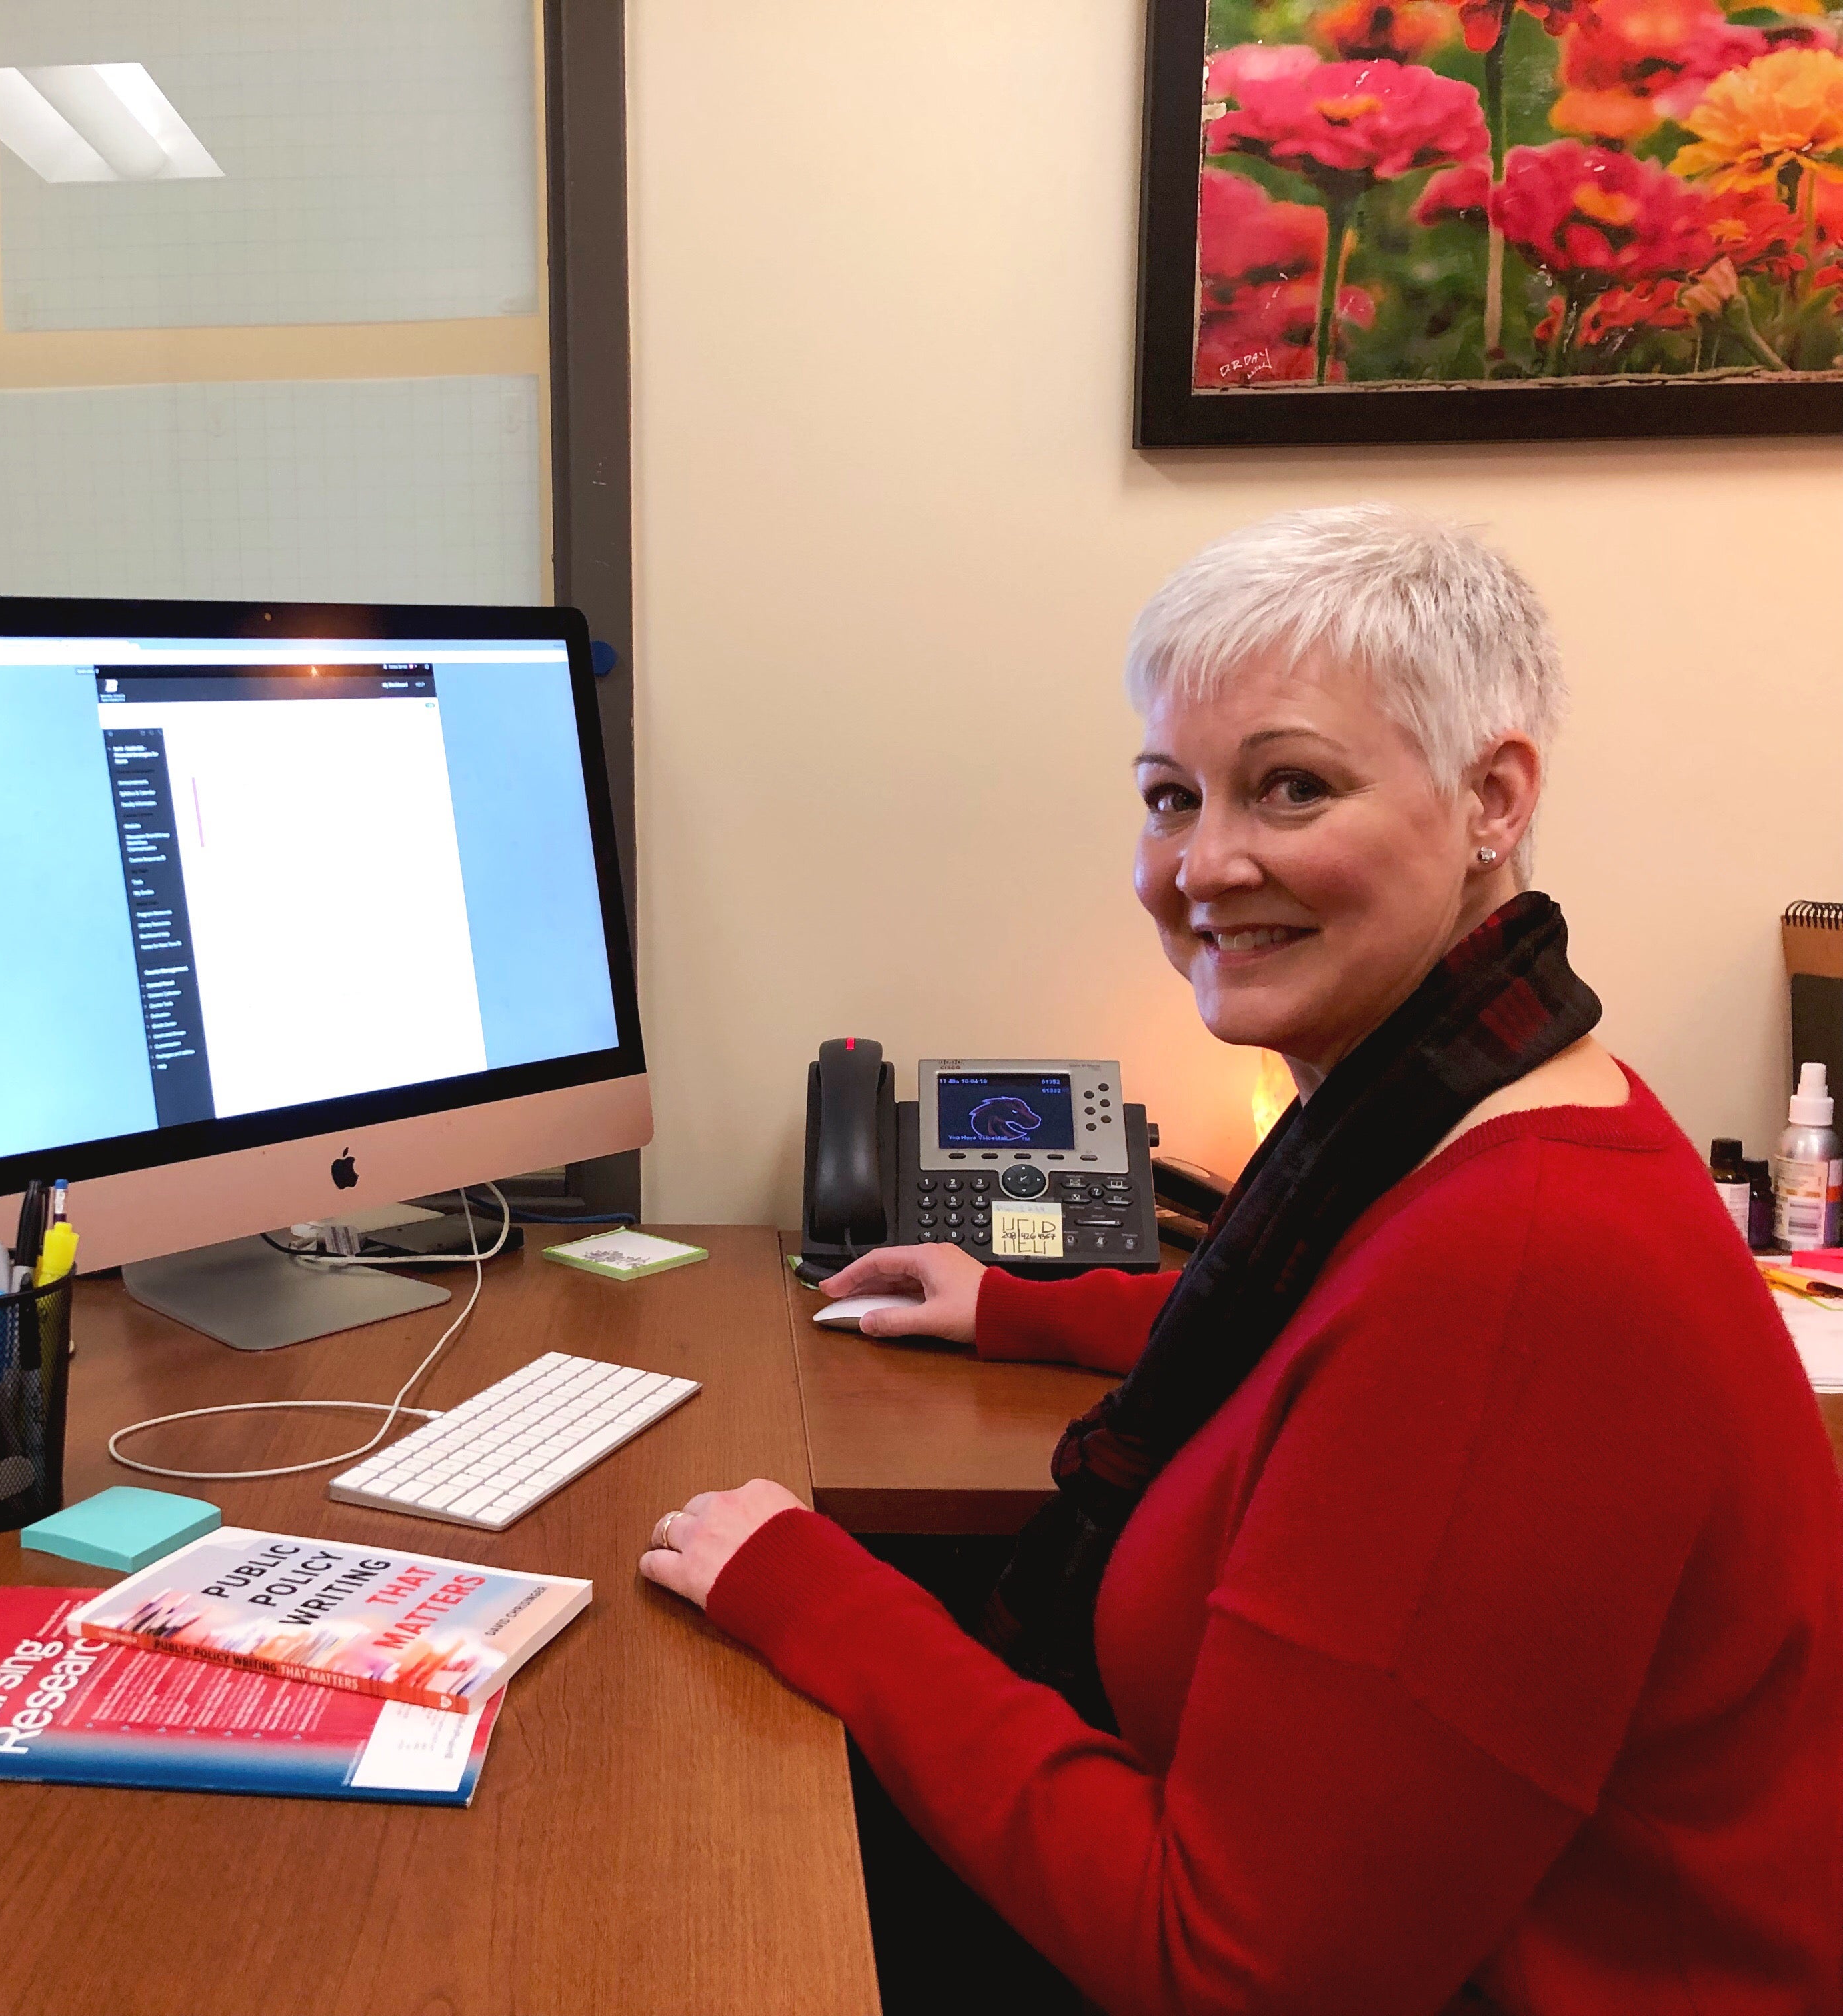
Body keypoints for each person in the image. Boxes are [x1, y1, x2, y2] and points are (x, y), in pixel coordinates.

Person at [641, 506, 1843, 2013]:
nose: (1203, 866)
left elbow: (1235, 1974)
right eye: (1169, 796)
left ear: (1492, 796)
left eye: (1290, 788)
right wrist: (1016, 1301)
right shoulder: (1484, 1100)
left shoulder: (1530, 1272)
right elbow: (1332, 1314)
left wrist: (826, 1597)